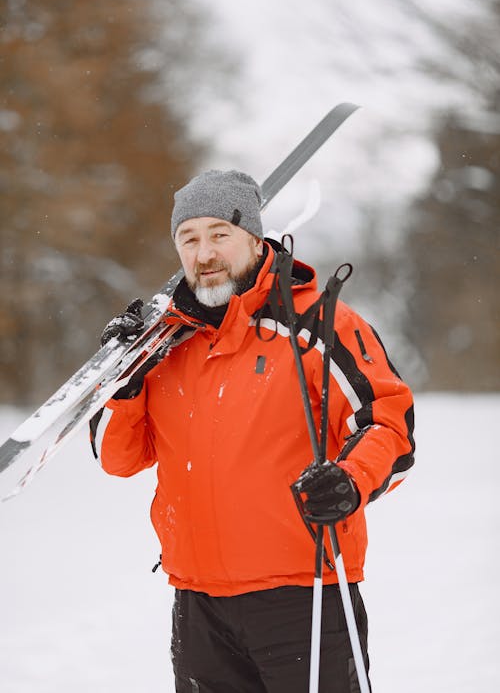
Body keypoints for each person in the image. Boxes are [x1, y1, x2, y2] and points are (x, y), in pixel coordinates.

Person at [90, 169, 415, 693]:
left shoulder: (320, 323)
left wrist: (351, 480)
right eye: (188, 238)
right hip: (198, 604)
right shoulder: (166, 343)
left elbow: (389, 424)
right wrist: (122, 380)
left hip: (304, 593)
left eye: (220, 233)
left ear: (254, 237)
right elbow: (118, 459)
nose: (204, 253)